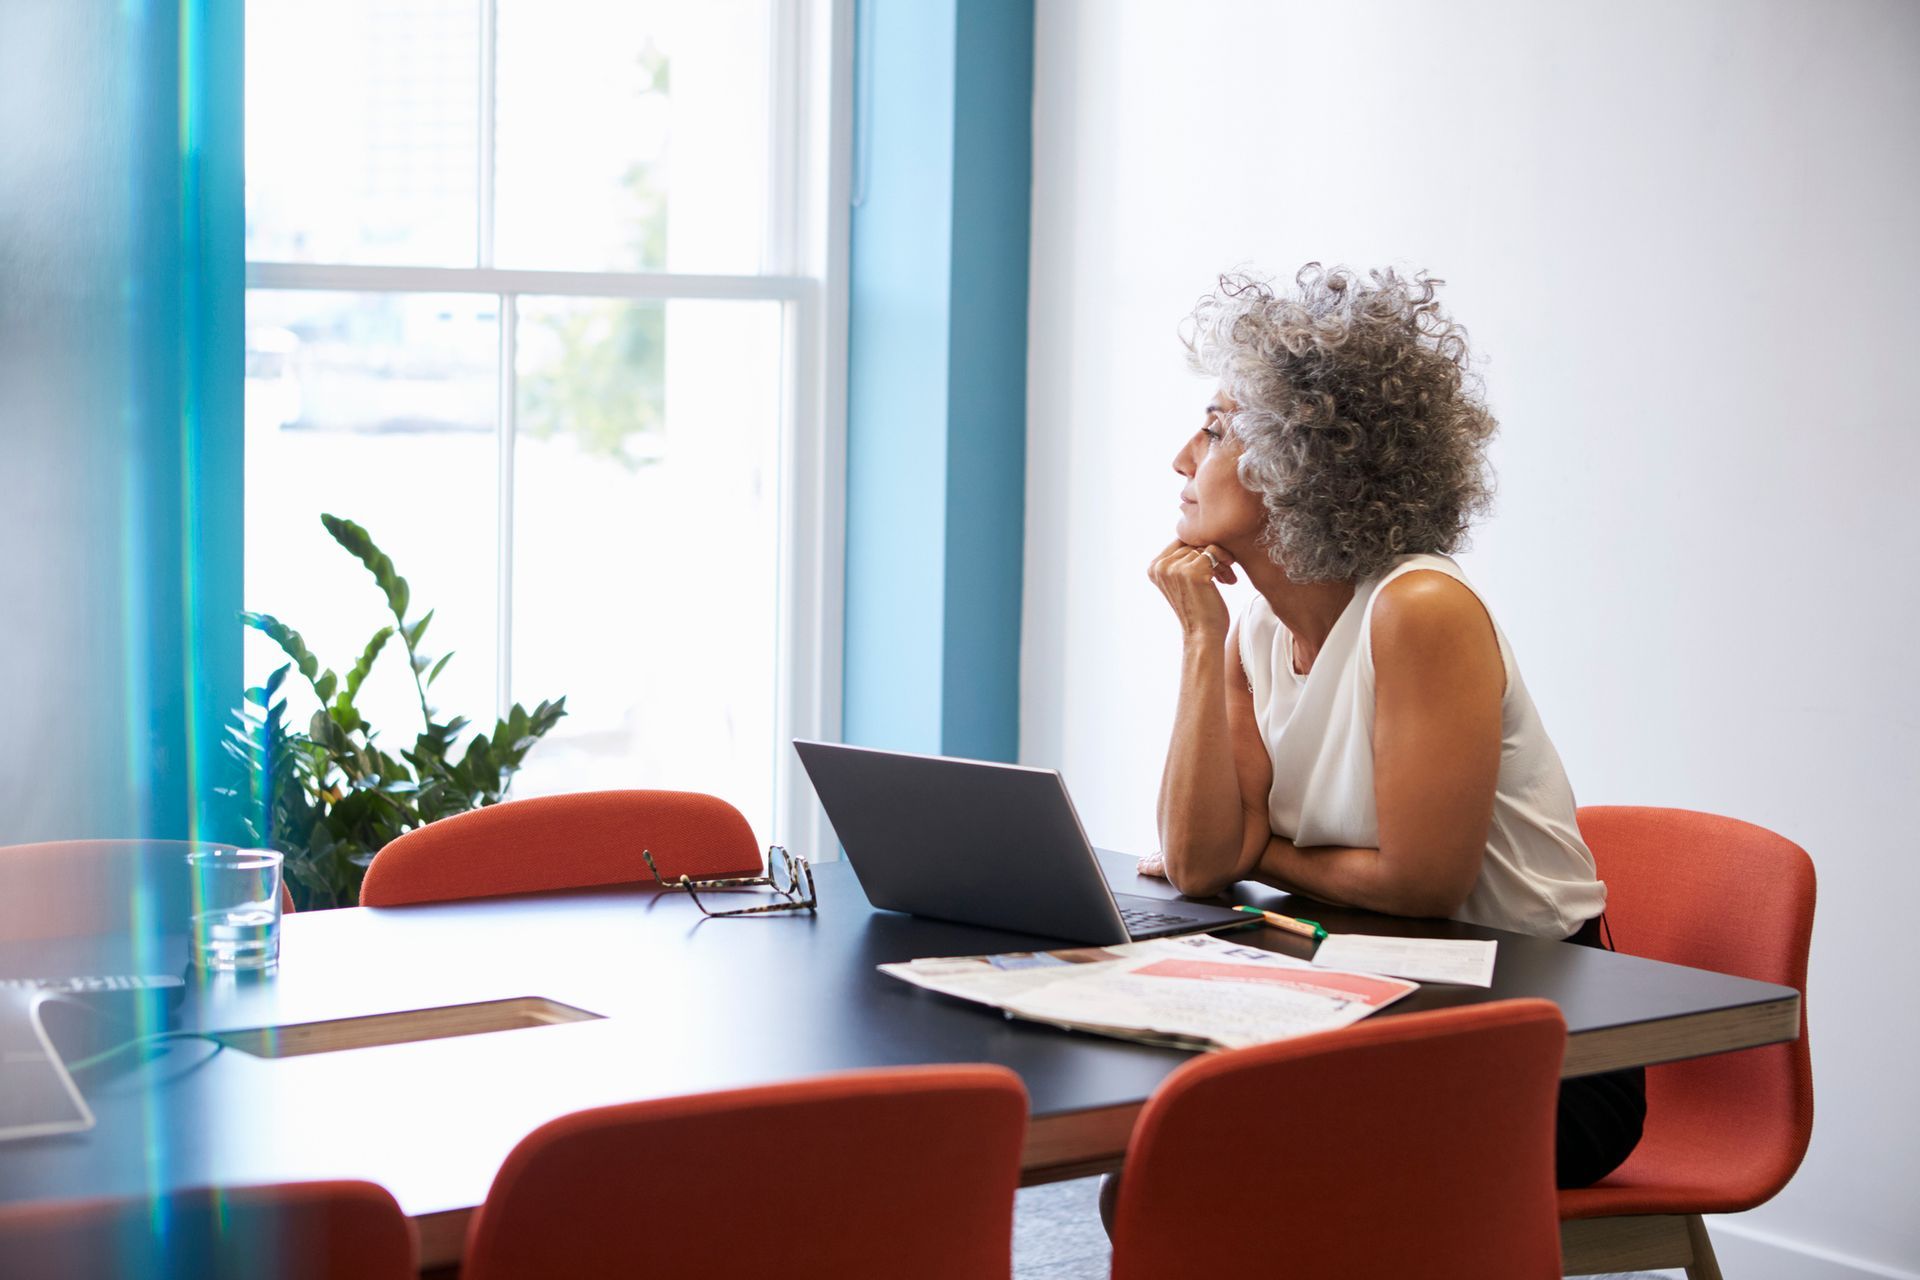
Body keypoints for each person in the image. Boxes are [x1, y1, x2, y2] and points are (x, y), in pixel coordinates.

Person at [1133, 265, 1644, 1198]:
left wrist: (1266, 851)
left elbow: (1419, 884)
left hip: (1540, 1041)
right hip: (1371, 993)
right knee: (1166, 1174)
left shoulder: (1419, 610)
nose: (1181, 458)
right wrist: (1201, 635)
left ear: (1301, 458)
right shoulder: (1251, 627)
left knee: (1202, 1178)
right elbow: (1203, 862)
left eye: (1213, 427)